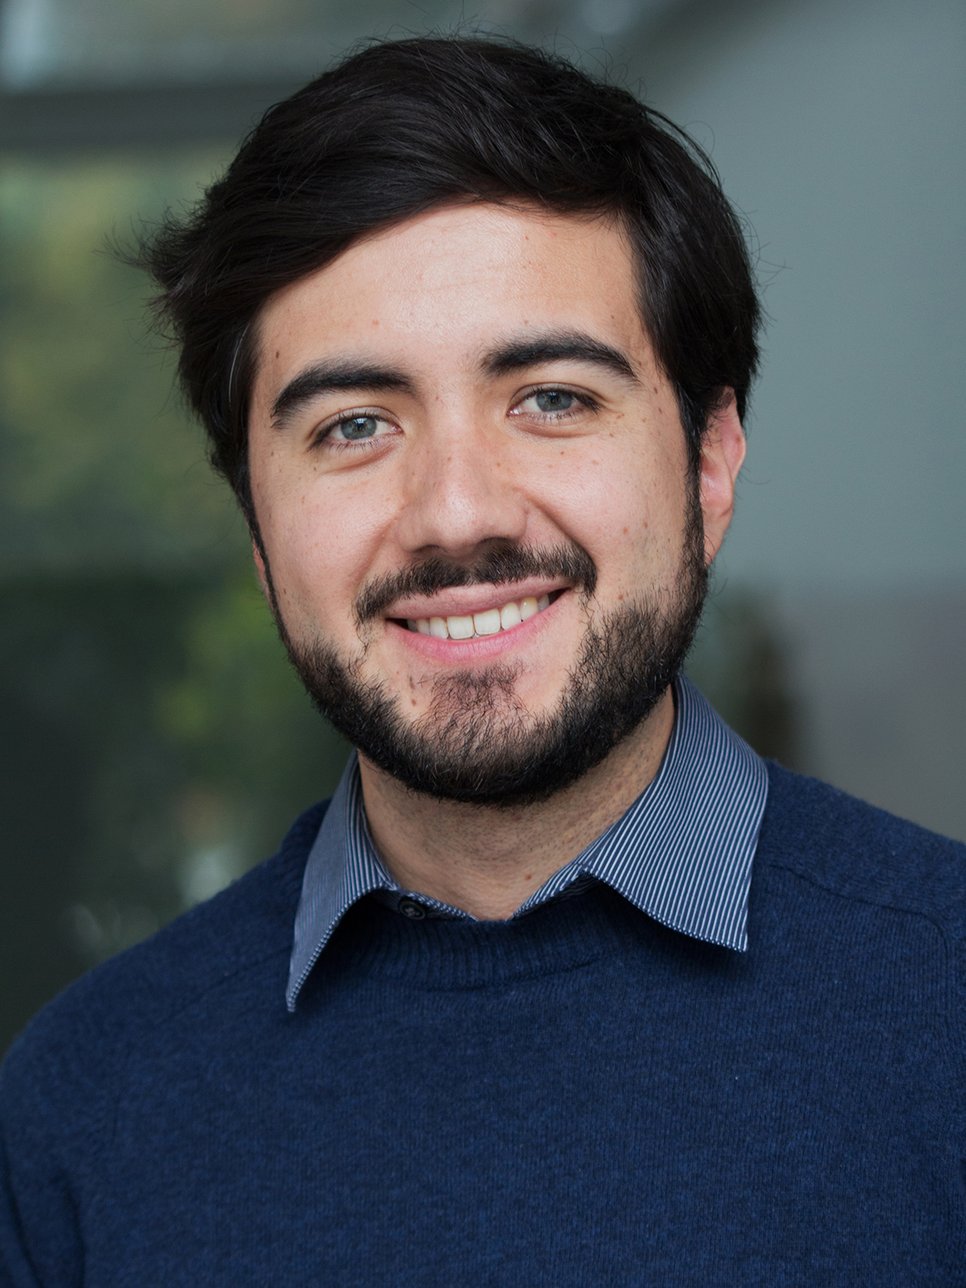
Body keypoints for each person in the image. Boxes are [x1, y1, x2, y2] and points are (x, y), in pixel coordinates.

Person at [1, 34, 962, 1285]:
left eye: (553, 397)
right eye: (354, 425)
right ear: (254, 519)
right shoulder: (83, 1110)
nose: (457, 513)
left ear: (711, 461)